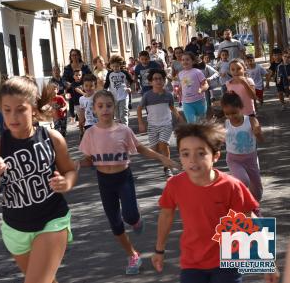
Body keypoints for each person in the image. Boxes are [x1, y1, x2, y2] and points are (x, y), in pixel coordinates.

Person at [0, 76, 77, 283]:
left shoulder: (52, 138)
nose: (13, 116)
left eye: (20, 109)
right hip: (15, 229)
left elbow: (70, 170)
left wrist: (66, 183)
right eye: (6, 110)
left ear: (33, 108)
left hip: (52, 221)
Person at [78, 90, 178, 275]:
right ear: (94, 109)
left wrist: (162, 158)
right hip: (104, 181)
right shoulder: (90, 133)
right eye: (100, 106)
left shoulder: (123, 130)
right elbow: (88, 160)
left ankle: (136, 220)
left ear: (114, 107)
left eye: (109, 105)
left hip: (123, 177)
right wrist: (73, 165)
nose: (105, 109)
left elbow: (140, 149)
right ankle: (132, 255)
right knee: (115, 223)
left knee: (130, 216)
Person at [152, 122, 266, 283]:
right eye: (185, 154)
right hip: (192, 262)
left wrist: (266, 261)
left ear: (215, 156)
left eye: (200, 153)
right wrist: (159, 249)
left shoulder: (231, 186)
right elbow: (166, 215)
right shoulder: (174, 185)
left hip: (228, 261)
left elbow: (249, 218)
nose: (192, 160)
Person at [137, 69, 182, 178]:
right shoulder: (147, 95)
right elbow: (139, 109)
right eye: (155, 79)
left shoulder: (168, 95)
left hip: (166, 124)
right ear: (150, 82)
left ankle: (168, 168)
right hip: (152, 126)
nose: (158, 81)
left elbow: (172, 107)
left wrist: (179, 117)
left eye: (160, 79)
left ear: (164, 80)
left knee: (164, 145)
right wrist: (141, 123)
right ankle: (165, 160)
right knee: (154, 150)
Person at [221, 93, 263, 203]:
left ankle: (254, 206)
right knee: (243, 180)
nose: (231, 116)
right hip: (233, 160)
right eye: (227, 114)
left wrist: (258, 133)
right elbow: (218, 139)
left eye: (234, 113)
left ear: (241, 108)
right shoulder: (225, 124)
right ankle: (240, 202)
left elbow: (261, 139)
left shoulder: (251, 121)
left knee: (257, 191)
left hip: (251, 159)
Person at [179, 52, 209, 123]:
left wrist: (201, 89)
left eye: (187, 59)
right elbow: (182, 85)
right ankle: (194, 134)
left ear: (193, 61)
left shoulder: (197, 72)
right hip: (186, 102)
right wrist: (178, 91)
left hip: (199, 101)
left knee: (201, 122)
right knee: (191, 122)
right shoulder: (180, 73)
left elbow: (206, 84)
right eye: (183, 60)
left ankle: (202, 134)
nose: (185, 61)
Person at [104, 55, 133, 125]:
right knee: (117, 116)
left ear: (120, 65)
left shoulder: (124, 73)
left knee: (124, 114)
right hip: (114, 97)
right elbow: (106, 84)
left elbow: (131, 81)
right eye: (113, 66)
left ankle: (125, 130)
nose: (115, 68)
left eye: (117, 66)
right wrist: (104, 92)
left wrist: (129, 88)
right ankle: (119, 130)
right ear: (111, 66)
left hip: (123, 96)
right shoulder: (110, 74)